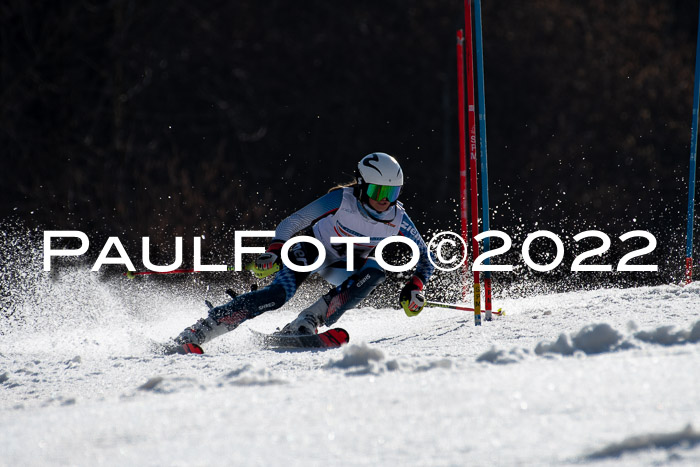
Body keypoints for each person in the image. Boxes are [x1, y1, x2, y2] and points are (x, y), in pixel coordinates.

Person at [167, 152, 434, 354]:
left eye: (392, 192)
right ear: (362, 186)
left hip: (344, 265)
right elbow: (293, 222)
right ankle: (199, 331)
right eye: (378, 191)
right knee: (277, 295)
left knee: (376, 271)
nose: (385, 200)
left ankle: (305, 323)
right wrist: (274, 250)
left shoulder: (399, 218)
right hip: (312, 248)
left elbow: (425, 258)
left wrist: (416, 287)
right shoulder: (342, 199)